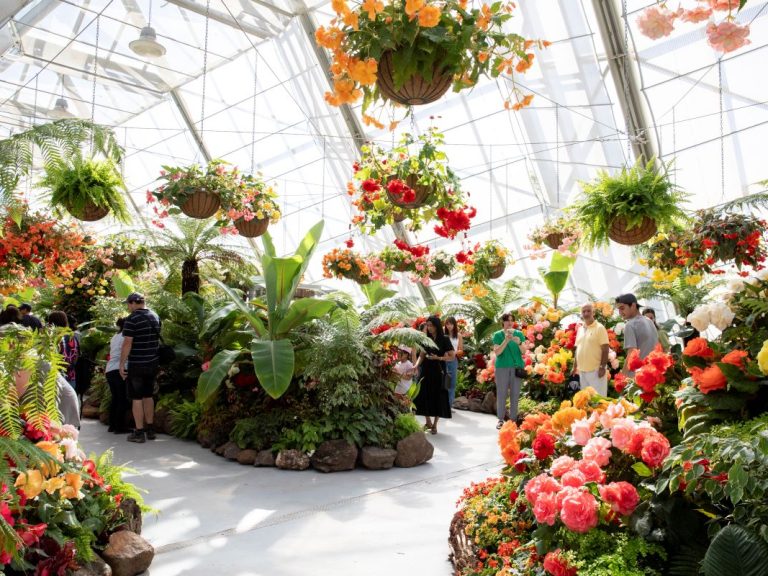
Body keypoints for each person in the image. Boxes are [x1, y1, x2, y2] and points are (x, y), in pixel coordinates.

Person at [119, 293, 161, 443]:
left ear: (132, 303)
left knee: (136, 398)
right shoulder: (155, 316)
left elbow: (127, 343)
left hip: (137, 363)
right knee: (148, 395)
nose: (128, 307)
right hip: (152, 363)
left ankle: (139, 432)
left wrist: (121, 364)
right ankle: (150, 429)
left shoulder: (132, 319)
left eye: (128, 304)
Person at [413, 315, 454, 434]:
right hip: (426, 370)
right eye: (428, 325)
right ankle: (428, 422)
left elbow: (452, 356)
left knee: (438, 397)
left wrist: (439, 358)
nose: (429, 328)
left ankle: (435, 425)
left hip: (439, 371)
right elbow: (422, 355)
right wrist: (416, 366)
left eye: (431, 325)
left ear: (436, 326)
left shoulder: (444, 339)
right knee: (423, 395)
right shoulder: (426, 339)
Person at [15, 362, 81, 428]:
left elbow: (17, 392)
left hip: (59, 401)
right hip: (47, 400)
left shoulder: (25, 361)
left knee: (58, 431)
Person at [492, 312, 526, 429]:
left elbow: (523, 351)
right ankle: (500, 420)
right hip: (502, 367)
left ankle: (513, 421)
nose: (510, 322)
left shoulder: (519, 334)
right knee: (501, 394)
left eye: (512, 320)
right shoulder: (498, 335)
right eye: (507, 320)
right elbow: (497, 352)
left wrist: (519, 342)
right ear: (503, 322)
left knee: (515, 394)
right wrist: (506, 340)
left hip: (517, 368)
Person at [615, 293, 659, 374]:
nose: (620, 313)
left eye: (622, 308)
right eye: (619, 309)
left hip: (640, 374)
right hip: (654, 370)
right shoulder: (649, 321)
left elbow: (632, 353)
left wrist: (623, 375)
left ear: (633, 305)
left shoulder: (630, 325)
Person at [573, 303, 610, 396]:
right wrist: (574, 367)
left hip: (596, 371)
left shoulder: (599, 328)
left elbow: (605, 349)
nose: (586, 313)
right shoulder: (580, 329)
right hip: (582, 371)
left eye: (588, 311)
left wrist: (602, 367)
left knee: (599, 399)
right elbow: (577, 349)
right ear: (581, 314)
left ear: (593, 312)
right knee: (587, 399)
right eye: (584, 311)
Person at [106, 317, 129, 434]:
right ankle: (119, 427)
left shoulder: (115, 336)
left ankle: (112, 425)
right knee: (122, 398)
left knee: (115, 398)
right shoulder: (126, 336)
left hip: (109, 369)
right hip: (120, 369)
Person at [47, 310, 79, 390]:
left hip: (54, 379)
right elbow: (76, 355)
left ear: (51, 322)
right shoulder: (73, 337)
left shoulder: (51, 337)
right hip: (71, 376)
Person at [443, 316, 464, 408]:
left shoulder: (458, 335)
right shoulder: (443, 334)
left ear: (454, 325)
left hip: (453, 361)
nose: (449, 326)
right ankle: (441, 405)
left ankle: (449, 405)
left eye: (451, 324)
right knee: (443, 383)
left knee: (451, 383)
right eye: (447, 324)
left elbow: (461, 350)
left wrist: (454, 352)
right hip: (443, 360)